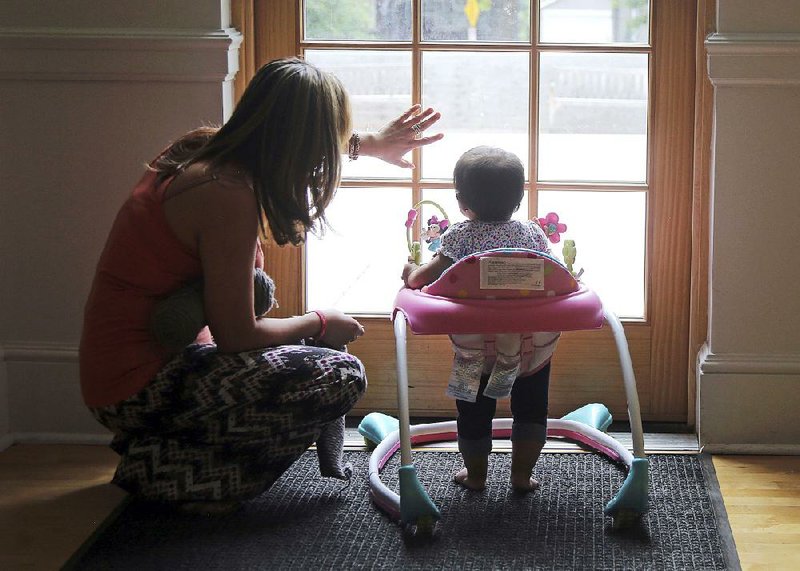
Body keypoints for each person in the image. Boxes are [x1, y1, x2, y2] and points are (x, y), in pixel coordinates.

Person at [80, 57, 443, 512]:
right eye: (325, 144)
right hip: (139, 387)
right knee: (340, 375)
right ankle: (175, 475)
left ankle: (167, 447)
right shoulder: (226, 194)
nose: (324, 159)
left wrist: (368, 144)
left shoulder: (204, 151)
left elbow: (298, 139)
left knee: (303, 360)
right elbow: (238, 337)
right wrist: (317, 321)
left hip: (124, 371)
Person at [401, 146, 558, 493]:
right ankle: (520, 476)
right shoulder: (532, 235)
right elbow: (556, 276)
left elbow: (420, 280)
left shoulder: (459, 237)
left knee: (472, 414)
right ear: (518, 201)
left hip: (475, 352)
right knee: (531, 411)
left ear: (461, 201)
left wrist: (411, 270)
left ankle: (475, 476)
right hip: (528, 350)